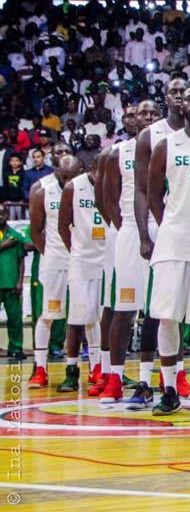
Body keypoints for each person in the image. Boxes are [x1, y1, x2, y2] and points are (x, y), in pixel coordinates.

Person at [95, 100, 175, 403]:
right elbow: (107, 199)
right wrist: (130, 229)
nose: (150, 118)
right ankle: (114, 377)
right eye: (144, 113)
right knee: (123, 308)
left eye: (155, 113)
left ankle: (160, 378)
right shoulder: (118, 153)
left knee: (162, 308)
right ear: (131, 119)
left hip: (165, 226)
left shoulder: (172, 145)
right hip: (130, 229)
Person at [145, 86, 190, 416]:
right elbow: (153, 194)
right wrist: (168, 224)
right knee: (168, 317)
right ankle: (169, 388)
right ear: (178, 106)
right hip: (173, 240)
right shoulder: (165, 145)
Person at [129, 78, 190, 408]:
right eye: (175, 92)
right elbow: (142, 189)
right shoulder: (151, 136)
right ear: (167, 98)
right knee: (160, 309)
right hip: (162, 224)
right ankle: (152, 381)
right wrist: (145, 232)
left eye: (187, 92)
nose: (181, 97)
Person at [26, 155, 83, 388]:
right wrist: (50, 253)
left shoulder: (87, 187)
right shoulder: (42, 189)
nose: (68, 180)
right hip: (55, 260)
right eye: (64, 176)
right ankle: (40, 369)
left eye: (73, 176)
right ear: (56, 170)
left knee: (86, 316)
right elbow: (35, 231)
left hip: (81, 259)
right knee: (48, 314)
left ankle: (93, 369)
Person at [55, 159, 106, 392]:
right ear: (90, 169)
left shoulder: (112, 183)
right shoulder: (73, 188)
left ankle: (105, 369)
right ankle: (71, 371)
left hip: (107, 259)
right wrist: (76, 250)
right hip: (82, 261)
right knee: (76, 319)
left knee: (107, 318)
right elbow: (62, 225)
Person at [0, 205, 25, 359]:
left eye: (2, 213)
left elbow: (21, 260)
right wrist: (4, 245)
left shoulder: (16, 235)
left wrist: (20, 282)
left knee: (15, 318)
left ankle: (15, 347)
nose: (0, 216)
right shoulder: (9, 240)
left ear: (8, 215)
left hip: (11, 283)